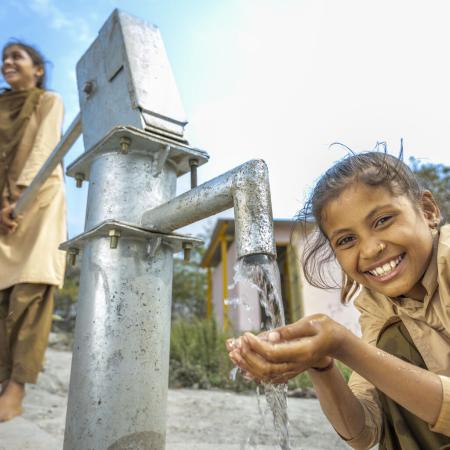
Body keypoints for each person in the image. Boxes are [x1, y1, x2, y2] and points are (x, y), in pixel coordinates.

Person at [227, 151, 450, 449]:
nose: (370, 250)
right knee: (391, 344)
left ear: (428, 210)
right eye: (346, 240)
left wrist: (345, 345)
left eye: (383, 220)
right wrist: (322, 365)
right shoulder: (379, 305)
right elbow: (364, 432)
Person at [0, 41, 66, 422]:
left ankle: (16, 388)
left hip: (37, 203)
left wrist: (19, 200)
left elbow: (44, 149)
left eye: (16, 57)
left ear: (37, 69)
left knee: (30, 289)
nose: (7, 63)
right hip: (2, 210)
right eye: (4, 59)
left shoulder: (48, 100)